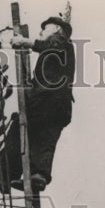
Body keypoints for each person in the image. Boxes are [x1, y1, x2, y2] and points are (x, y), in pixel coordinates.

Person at [8, 15, 75, 190]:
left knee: (34, 133)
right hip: (48, 102)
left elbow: (50, 46)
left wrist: (24, 41)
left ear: (56, 30)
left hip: (51, 101)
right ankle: (26, 174)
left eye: (45, 28)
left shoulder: (62, 43)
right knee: (30, 132)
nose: (41, 32)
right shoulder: (54, 53)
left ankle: (27, 174)